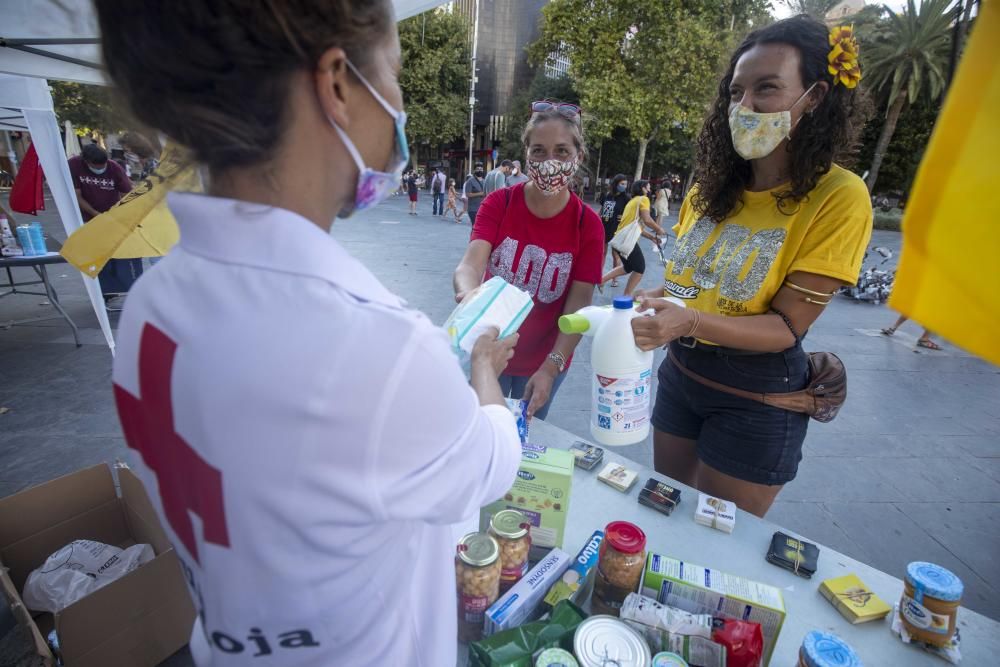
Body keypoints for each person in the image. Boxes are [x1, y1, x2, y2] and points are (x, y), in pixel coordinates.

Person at [94, 1, 522, 665]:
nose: (402, 108)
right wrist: (484, 366)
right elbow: (492, 465)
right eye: (398, 76)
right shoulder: (373, 345)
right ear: (338, 84)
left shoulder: (150, 303)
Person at [630, 16, 872, 517]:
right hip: (680, 373)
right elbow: (693, 288)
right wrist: (661, 298)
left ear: (816, 96)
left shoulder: (839, 197)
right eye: (737, 91)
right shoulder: (707, 190)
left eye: (767, 89)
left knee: (721, 539)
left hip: (757, 396)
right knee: (664, 510)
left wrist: (691, 319)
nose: (746, 106)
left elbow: (786, 326)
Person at [453, 100, 604, 420]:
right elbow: (470, 265)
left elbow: (578, 307)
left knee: (524, 443)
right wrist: (469, 295)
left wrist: (552, 368)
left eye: (562, 151)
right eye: (539, 151)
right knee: (476, 431)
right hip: (488, 349)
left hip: (544, 362)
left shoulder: (587, 225)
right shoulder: (499, 203)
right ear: (526, 154)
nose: (550, 163)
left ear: (579, 156)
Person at [68, 143, 143, 299]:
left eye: (103, 165)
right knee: (96, 256)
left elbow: (127, 195)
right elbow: (77, 195)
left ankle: (119, 288)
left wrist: (124, 216)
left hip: (112, 217)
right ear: (86, 161)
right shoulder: (74, 165)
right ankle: (105, 292)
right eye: (96, 166)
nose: (100, 168)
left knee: (116, 255)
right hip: (88, 219)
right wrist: (95, 214)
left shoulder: (114, 167)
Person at [600, 180, 666, 297]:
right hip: (626, 241)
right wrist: (659, 229)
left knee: (628, 267)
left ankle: (602, 280)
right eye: (648, 188)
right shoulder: (643, 199)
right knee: (640, 268)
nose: (650, 190)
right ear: (643, 188)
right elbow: (647, 220)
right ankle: (626, 297)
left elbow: (636, 227)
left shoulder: (632, 201)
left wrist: (652, 237)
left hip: (619, 239)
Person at [599, 173, 629, 287]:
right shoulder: (607, 196)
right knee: (602, 253)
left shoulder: (626, 198)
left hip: (617, 229)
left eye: (626, 184)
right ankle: (599, 276)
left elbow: (631, 213)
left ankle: (614, 279)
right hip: (604, 227)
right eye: (622, 184)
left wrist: (624, 218)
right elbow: (601, 211)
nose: (624, 186)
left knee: (615, 255)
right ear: (616, 184)